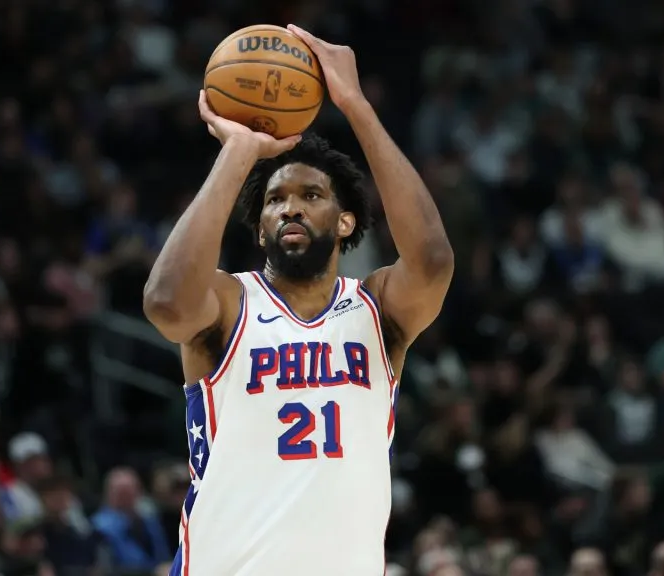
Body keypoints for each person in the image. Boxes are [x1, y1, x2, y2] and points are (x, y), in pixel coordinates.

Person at [143, 24, 454, 576]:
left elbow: (431, 261)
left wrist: (356, 105)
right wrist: (239, 151)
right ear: (259, 229)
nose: (291, 208)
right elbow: (166, 303)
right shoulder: (229, 302)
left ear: (345, 221)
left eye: (311, 196)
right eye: (275, 200)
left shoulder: (377, 310)